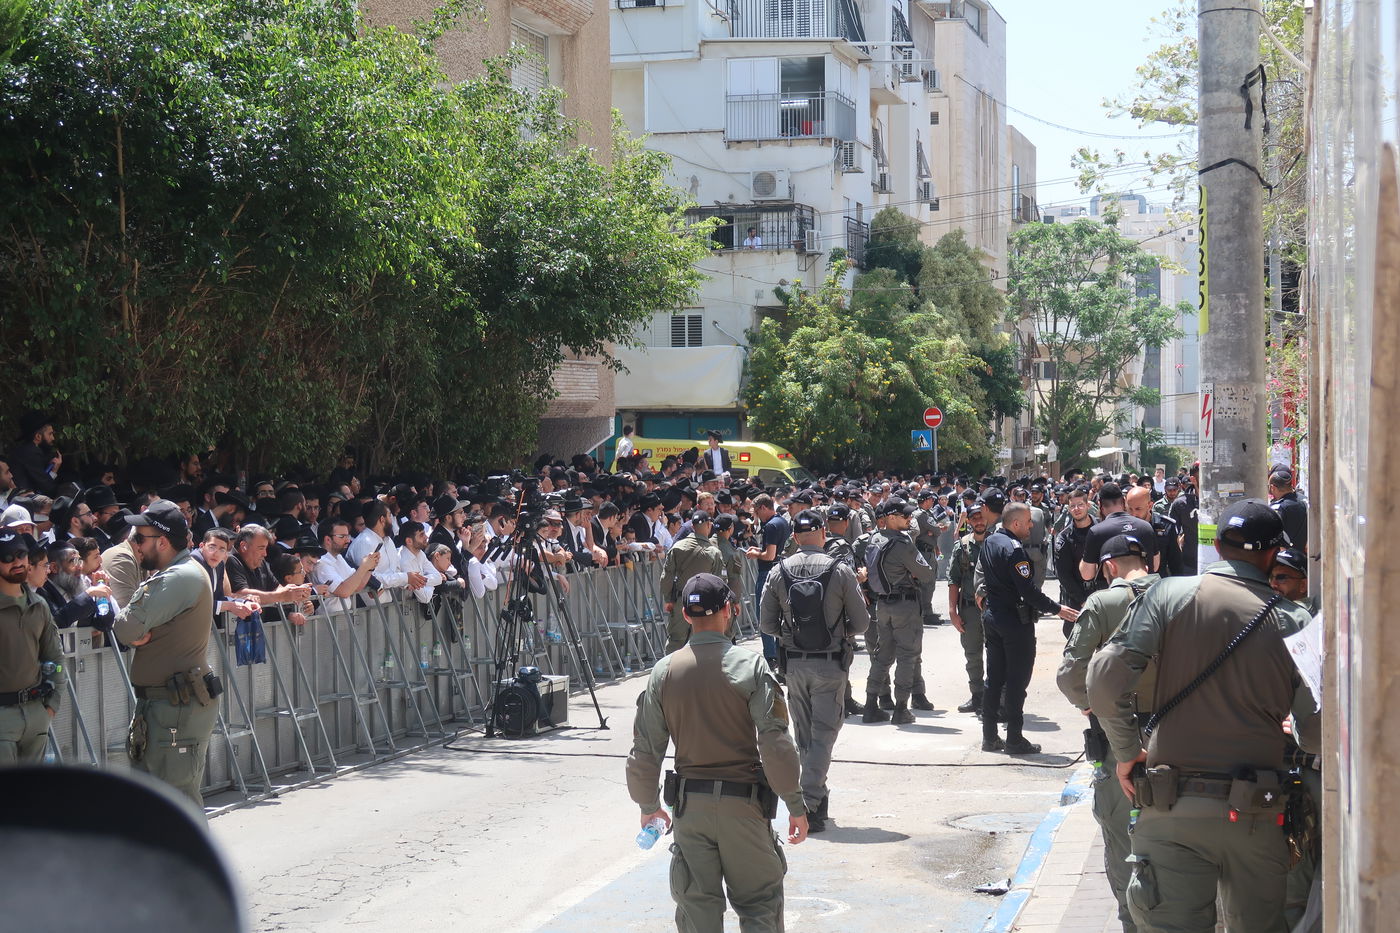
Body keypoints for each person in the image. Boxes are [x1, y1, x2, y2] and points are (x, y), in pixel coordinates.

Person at [1086, 499, 1320, 933]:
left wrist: (1126, 751)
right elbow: (1318, 732)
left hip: (1170, 806)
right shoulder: (1293, 619)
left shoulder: (1168, 595)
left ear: (1221, 547)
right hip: (1256, 813)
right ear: (1272, 555)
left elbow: (1103, 678)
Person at [625, 573, 806, 931]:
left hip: (691, 810)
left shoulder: (664, 671)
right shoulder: (750, 666)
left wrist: (648, 805)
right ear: (728, 610)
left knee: (697, 909)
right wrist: (796, 805)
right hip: (745, 805)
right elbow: (775, 743)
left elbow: (645, 750)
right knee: (759, 905)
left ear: (686, 616)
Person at [1056, 534, 1161, 933]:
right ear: (1147, 562)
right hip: (1178, 737)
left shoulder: (1101, 602)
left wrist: (1091, 703)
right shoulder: (1178, 596)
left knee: (1123, 843)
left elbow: (1070, 674)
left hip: (1122, 740)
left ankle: (1132, 924)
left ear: (1109, 567)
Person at [91, 501, 220, 807]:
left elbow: (124, 628)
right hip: (166, 702)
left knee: (176, 801)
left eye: (139, 538)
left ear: (162, 541)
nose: (134, 544)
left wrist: (134, 628)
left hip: (174, 704)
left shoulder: (177, 577)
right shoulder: (177, 574)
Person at [759, 509, 869, 833]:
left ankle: (815, 802)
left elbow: (766, 624)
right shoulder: (840, 569)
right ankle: (810, 801)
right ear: (823, 534)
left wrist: (792, 633)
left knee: (805, 736)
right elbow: (861, 623)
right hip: (830, 662)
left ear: (794, 537)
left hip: (794, 663)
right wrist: (837, 630)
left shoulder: (779, 570)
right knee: (824, 734)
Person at [976, 501, 1079, 754]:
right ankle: (1014, 739)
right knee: (1016, 682)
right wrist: (1058, 609)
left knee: (994, 678)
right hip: (1014, 622)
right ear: (1016, 523)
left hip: (992, 617)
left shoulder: (990, 541)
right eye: (1029, 522)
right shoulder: (1014, 550)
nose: (1032, 526)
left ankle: (989, 737)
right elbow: (1028, 591)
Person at [861, 498, 935, 724]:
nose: (909, 519)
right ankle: (901, 708)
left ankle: (871, 704)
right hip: (905, 604)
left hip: (882, 604)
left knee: (882, 656)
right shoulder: (902, 544)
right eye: (905, 516)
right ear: (891, 518)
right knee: (907, 656)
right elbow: (926, 574)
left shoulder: (874, 539)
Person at [0, 531, 65, 764]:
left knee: (32, 796)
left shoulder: (40, 605)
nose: (16, 562)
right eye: (6, 557)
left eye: (21, 554)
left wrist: (51, 705)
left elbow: (56, 660)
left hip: (36, 715)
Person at [947, 499, 990, 715]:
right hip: (970, 610)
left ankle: (994, 699)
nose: (979, 521)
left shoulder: (998, 542)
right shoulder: (962, 546)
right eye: (974, 518)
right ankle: (977, 697)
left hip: (994, 609)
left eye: (982, 517)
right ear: (969, 522)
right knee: (972, 655)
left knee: (995, 654)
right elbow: (954, 580)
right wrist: (952, 612)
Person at [659, 511, 725, 653]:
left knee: (676, 640)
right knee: (703, 641)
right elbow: (719, 583)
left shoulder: (677, 548)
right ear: (708, 525)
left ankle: (670, 672)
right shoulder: (713, 552)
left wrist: (668, 599)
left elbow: (666, 577)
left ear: (693, 526)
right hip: (706, 604)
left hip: (681, 600)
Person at [1079, 483, 1156, 588]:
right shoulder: (1146, 527)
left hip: (1111, 596)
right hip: (1143, 592)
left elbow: (1087, 574)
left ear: (1099, 504)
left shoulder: (1096, 531)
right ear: (1124, 502)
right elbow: (1155, 565)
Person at [744, 494, 789, 670]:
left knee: (763, 615)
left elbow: (769, 556)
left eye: (756, 512)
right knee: (779, 614)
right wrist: (759, 549)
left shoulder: (770, 526)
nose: (756, 516)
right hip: (782, 571)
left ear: (763, 508)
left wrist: (756, 554)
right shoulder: (782, 522)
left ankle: (770, 656)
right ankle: (780, 653)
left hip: (768, 573)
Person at [1125, 486, 1184, 577]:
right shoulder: (1123, 527)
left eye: (1138, 509)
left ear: (1150, 506)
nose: (1133, 514)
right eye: (1130, 509)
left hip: (1158, 583)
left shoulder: (1166, 526)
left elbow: (1176, 564)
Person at [1268, 467, 1308, 552]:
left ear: (1273, 487)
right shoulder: (1304, 503)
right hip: (1303, 557)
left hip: (1284, 559)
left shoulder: (1278, 508)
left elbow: (1271, 536)